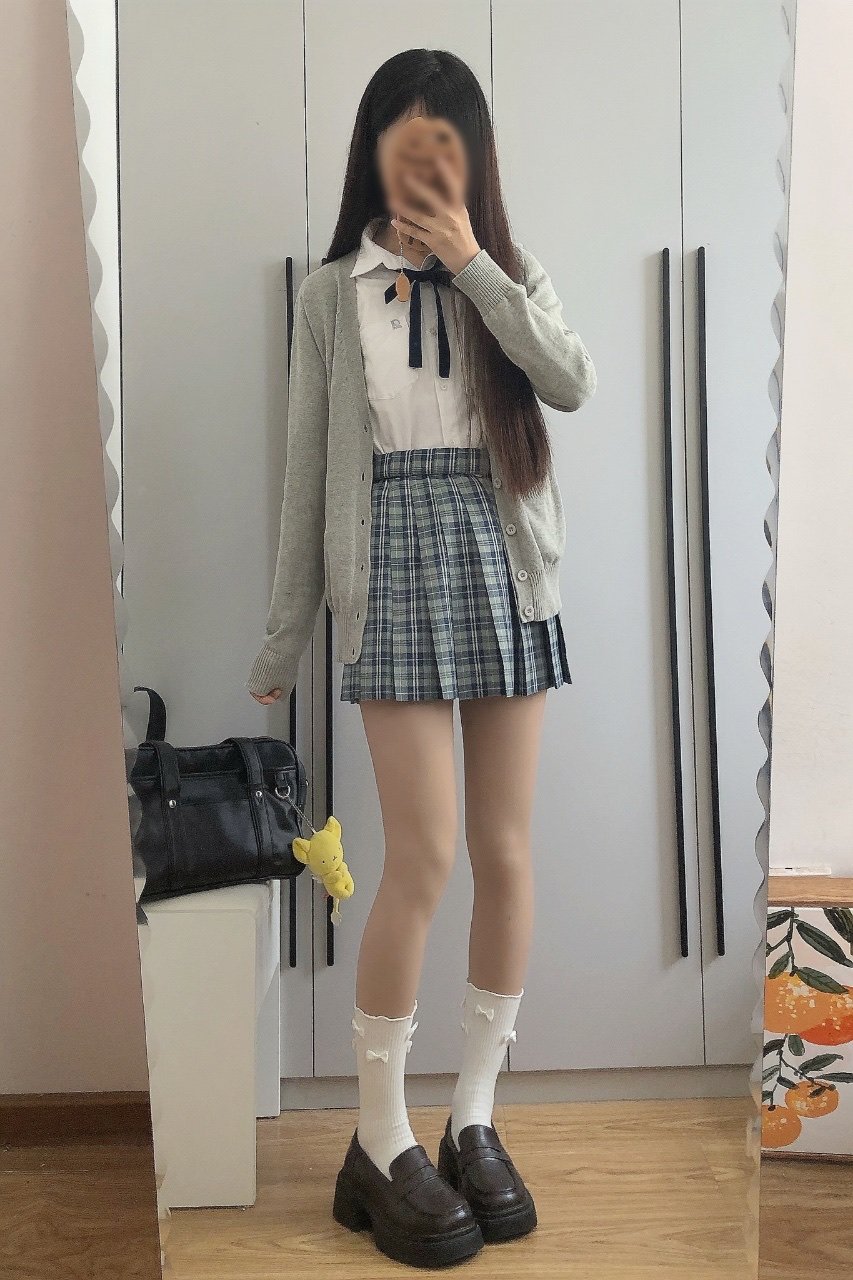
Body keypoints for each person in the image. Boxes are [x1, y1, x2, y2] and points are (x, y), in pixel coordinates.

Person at [247, 47, 596, 1269]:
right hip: (388, 566)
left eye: (444, 153)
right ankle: (380, 1132)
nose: (422, 175)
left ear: (471, 163)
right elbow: (307, 482)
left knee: (505, 850)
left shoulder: (507, 274)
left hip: (504, 566)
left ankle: (474, 1117)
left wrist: (475, 266)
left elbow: (571, 380)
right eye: (404, 152)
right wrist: (283, 635)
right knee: (425, 854)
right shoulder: (329, 296)